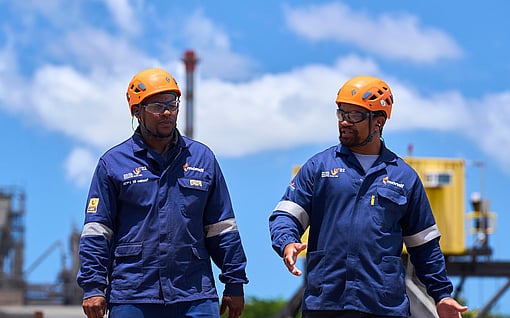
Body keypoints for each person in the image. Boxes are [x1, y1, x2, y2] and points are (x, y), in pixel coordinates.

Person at [269, 76, 468, 318]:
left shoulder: (404, 177)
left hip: (383, 306)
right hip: (326, 303)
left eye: (354, 115)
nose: (344, 122)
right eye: (341, 113)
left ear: (379, 122)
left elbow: (425, 245)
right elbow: (286, 215)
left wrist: (442, 294)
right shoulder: (319, 167)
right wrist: (287, 242)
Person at [77, 67, 249, 318]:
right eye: (157, 106)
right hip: (133, 296)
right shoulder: (113, 164)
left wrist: (234, 282)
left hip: (195, 295)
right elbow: (97, 231)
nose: (167, 112)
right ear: (137, 111)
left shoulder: (202, 159)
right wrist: (93, 287)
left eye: (172, 104)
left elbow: (222, 228)